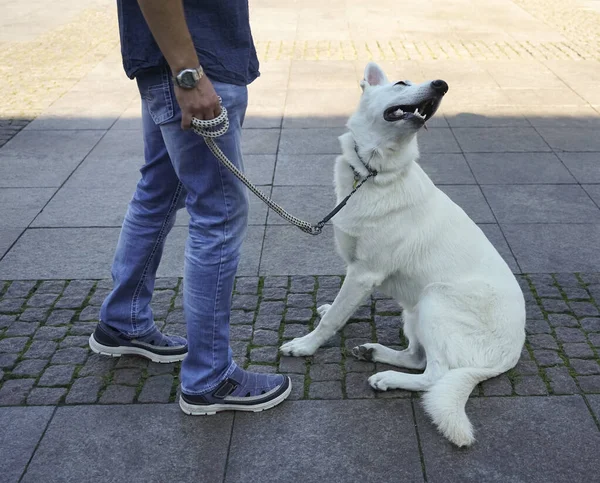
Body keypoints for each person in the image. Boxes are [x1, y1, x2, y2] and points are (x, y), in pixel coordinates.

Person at [88, 0, 291, 415]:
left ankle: (123, 320)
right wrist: (188, 74)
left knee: (159, 190)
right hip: (195, 66)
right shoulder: (192, 71)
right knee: (218, 213)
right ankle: (210, 377)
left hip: (179, 61)